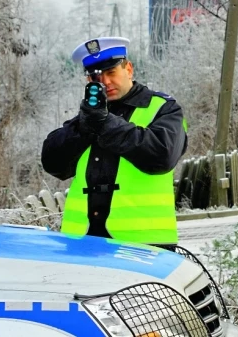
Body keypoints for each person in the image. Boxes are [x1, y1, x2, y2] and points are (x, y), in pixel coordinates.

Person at [41, 37, 187, 248]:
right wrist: (84, 126)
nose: (105, 82)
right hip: (81, 241)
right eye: (96, 77)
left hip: (145, 244)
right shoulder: (89, 116)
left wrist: (106, 124)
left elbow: (162, 157)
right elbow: (53, 163)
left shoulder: (164, 108)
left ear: (128, 69)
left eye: (111, 73)